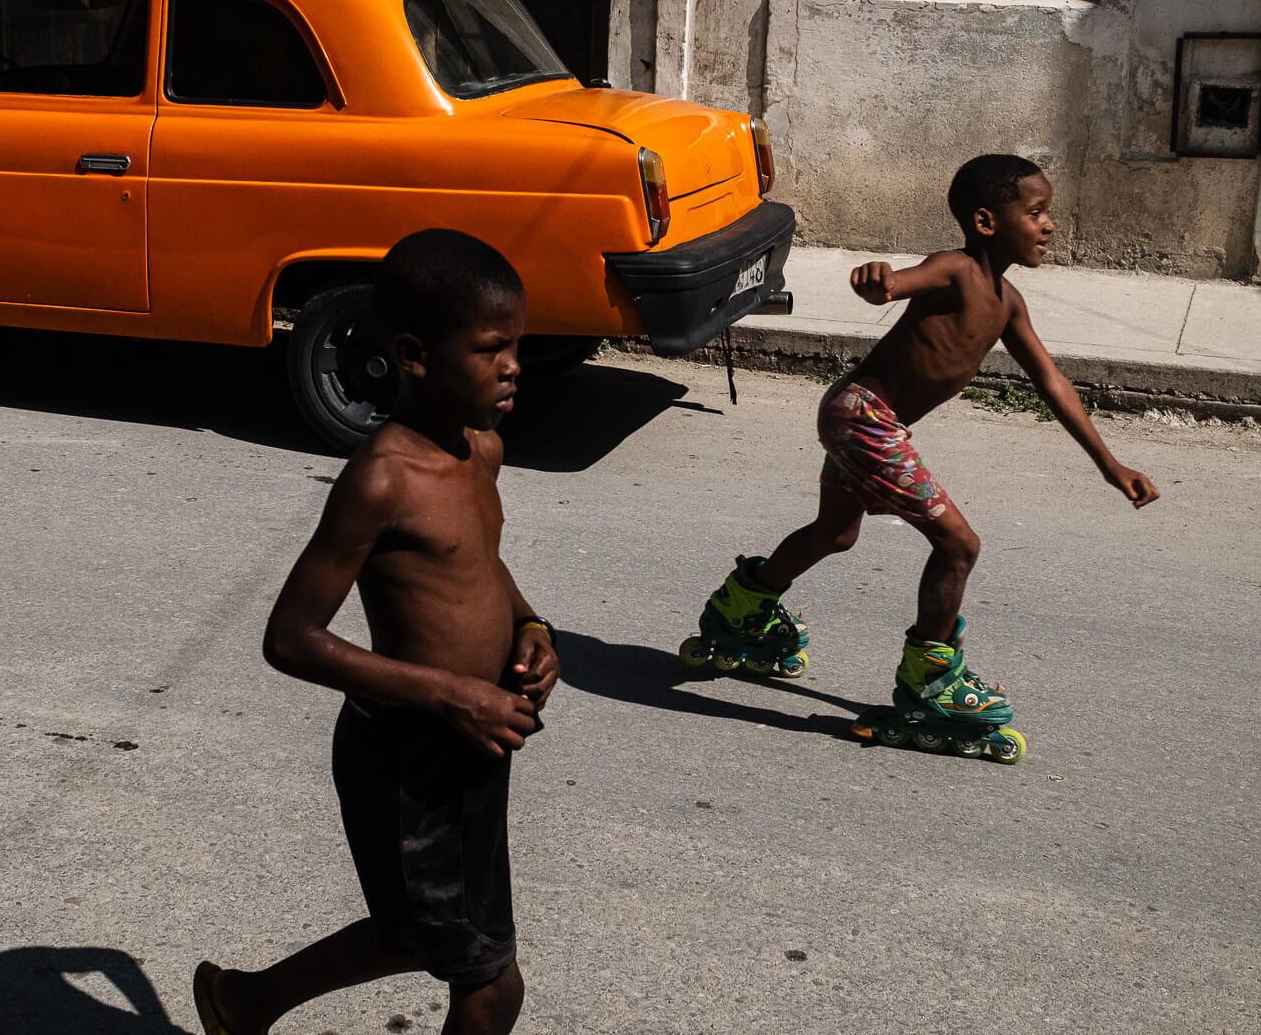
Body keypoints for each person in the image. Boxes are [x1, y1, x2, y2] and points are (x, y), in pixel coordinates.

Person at [193, 229, 559, 1035]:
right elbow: (290, 636)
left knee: (421, 930)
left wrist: (530, 623)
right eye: (492, 348)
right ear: (414, 355)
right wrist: (452, 694)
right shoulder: (382, 477)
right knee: (490, 984)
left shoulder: (481, 450)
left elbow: (478, 565)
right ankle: (247, 1001)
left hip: (474, 744)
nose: (512, 366)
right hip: (406, 764)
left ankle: (245, 1001)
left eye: (517, 346)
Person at [678, 154, 1158, 757]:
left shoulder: (1007, 302)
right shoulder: (955, 270)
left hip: (858, 414)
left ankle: (740, 610)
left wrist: (1110, 465)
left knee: (835, 532)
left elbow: (1052, 382)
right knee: (960, 545)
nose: (1048, 225)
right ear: (986, 221)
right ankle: (930, 684)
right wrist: (881, 279)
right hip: (865, 419)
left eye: (1048, 214)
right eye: (1035, 213)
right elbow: (903, 280)